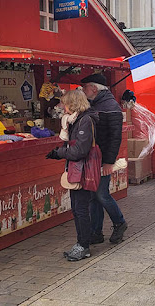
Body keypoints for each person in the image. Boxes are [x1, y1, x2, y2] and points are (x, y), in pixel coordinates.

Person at [46, 90, 98, 261]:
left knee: (81, 209)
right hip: (76, 168)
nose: (63, 107)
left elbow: (80, 151)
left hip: (82, 169)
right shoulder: (74, 120)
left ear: (73, 104)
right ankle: (81, 243)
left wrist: (60, 153)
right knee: (77, 209)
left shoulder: (84, 121)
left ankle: (84, 246)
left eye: (65, 103)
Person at [80, 73, 128, 244]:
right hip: (94, 157)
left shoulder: (110, 106)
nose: (83, 90)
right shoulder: (97, 104)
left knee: (101, 195)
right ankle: (96, 232)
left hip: (103, 158)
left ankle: (119, 222)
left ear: (94, 88)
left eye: (85, 87)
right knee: (94, 195)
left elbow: (115, 137)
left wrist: (109, 161)